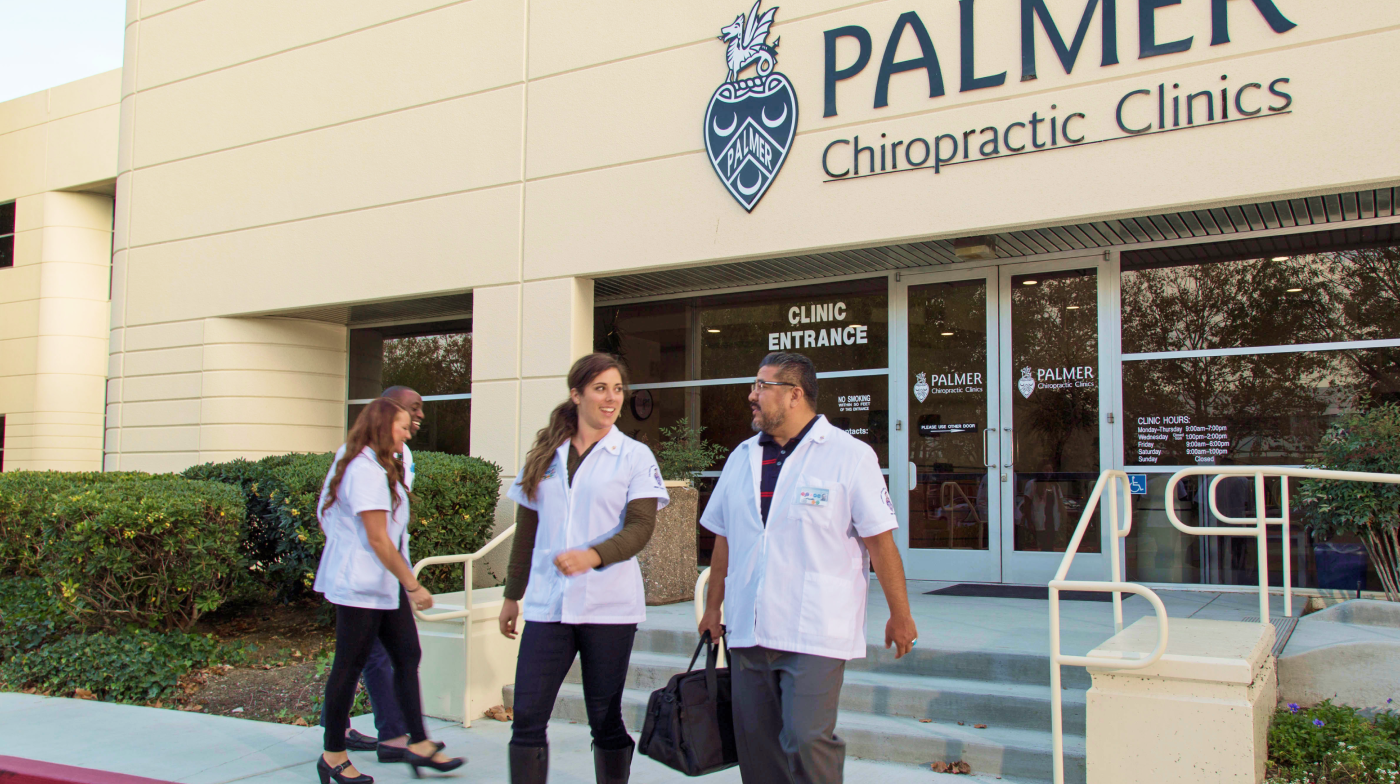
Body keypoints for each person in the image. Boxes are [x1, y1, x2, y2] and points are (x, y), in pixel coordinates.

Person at [697, 352, 919, 784]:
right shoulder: (741, 457)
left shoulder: (850, 456)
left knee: (805, 739)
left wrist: (901, 613)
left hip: (815, 626)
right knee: (757, 751)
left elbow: (879, 541)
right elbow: (724, 538)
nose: (751, 396)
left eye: (762, 386)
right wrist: (713, 607)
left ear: (795, 394)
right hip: (749, 626)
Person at [498, 353, 670, 784]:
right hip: (547, 605)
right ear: (576, 395)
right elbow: (527, 532)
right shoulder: (545, 456)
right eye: (600, 389)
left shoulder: (633, 455)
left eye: (617, 389)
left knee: (604, 719)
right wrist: (511, 596)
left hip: (609, 606)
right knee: (528, 719)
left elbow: (641, 527)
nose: (612, 398)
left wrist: (592, 556)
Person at [313, 398, 463, 784]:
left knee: (408, 654)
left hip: (383, 583)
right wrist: (413, 584)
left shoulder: (382, 464)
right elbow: (379, 540)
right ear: (382, 427)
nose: (409, 429)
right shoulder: (363, 470)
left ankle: (417, 742)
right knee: (347, 668)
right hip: (361, 586)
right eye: (401, 424)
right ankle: (333, 755)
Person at [331, 386, 425, 761]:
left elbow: (394, 525)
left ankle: (409, 740)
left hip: (387, 574)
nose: (418, 418)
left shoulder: (399, 453)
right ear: (389, 414)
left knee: (401, 654)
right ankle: (352, 746)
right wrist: (410, 582)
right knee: (362, 659)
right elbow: (359, 528)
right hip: (364, 579)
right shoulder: (359, 462)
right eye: (411, 411)